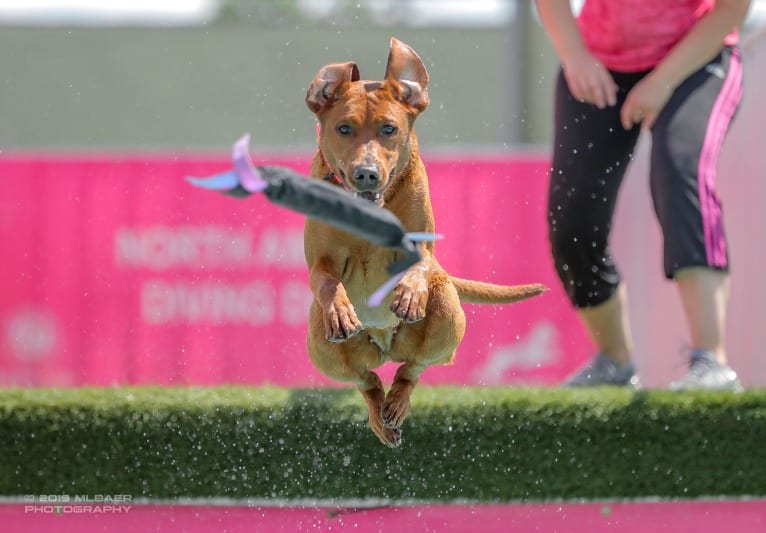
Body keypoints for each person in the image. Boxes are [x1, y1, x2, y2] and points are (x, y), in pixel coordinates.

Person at [535, 0, 751, 390]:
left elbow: (734, 7)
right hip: (597, 60)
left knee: (679, 169)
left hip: (697, 57)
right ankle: (614, 362)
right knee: (572, 221)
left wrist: (663, 80)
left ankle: (712, 361)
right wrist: (574, 55)